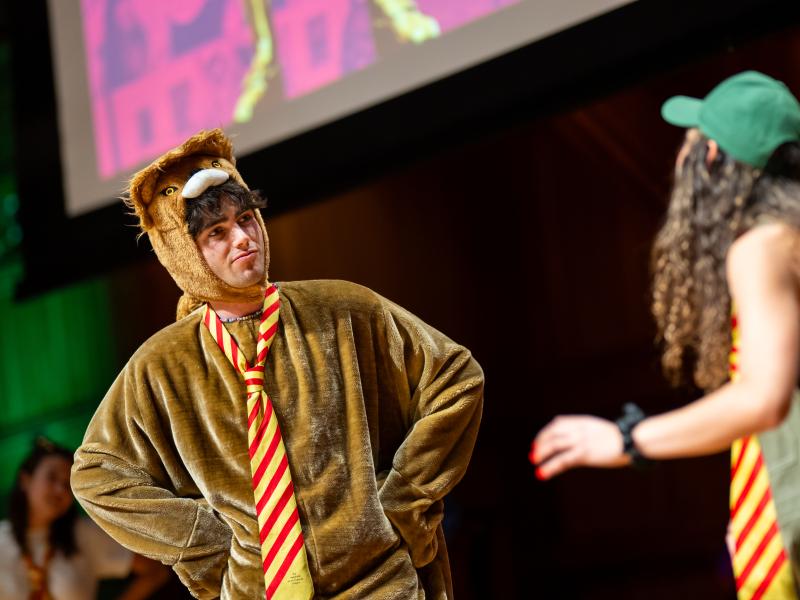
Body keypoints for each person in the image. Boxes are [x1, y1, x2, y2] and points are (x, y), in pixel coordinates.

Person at [70, 129, 483, 599]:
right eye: (217, 233)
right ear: (185, 255)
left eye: (246, 218)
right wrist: (204, 544)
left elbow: (456, 377)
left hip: (377, 583)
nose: (243, 238)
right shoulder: (163, 364)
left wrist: (405, 499)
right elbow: (97, 475)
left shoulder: (342, 309)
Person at [530, 71, 800, 598]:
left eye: (693, 143)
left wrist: (624, 439)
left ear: (717, 158)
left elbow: (764, 398)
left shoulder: (763, 246)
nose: (682, 158)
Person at [0, 437, 169, 600]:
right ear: (25, 480)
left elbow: (155, 571)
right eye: (51, 478)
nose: (60, 490)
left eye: (68, 485)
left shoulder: (83, 533)